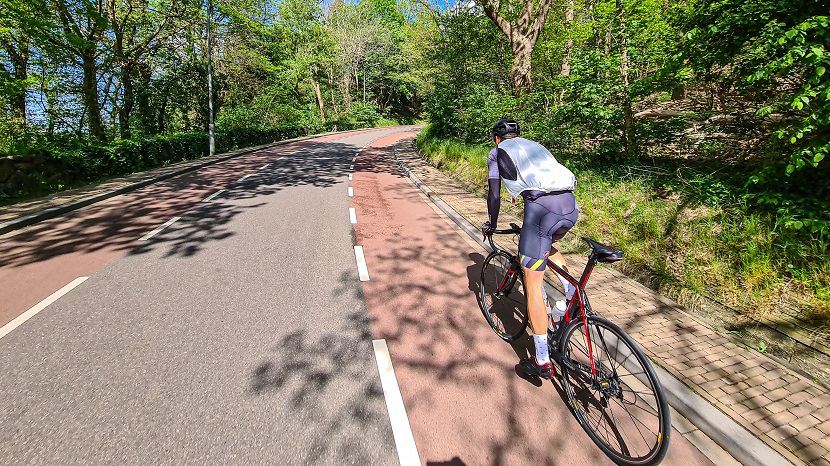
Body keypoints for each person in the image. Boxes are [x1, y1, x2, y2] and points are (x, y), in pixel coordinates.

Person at [481, 118, 579, 380]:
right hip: (570, 205)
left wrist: (491, 223)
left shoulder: (497, 152)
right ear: (519, 135)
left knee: (533, 283)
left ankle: (542, 360)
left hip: (541, 211)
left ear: (497, 138)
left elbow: (494, 194)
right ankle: (570, 297)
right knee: (549, 245)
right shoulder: (536, 146)